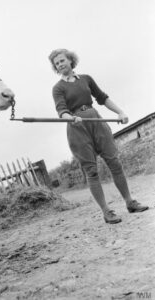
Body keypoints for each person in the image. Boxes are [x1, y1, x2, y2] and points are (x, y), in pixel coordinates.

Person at [48, 49, 149, 224]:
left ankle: (130, 202)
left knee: (114, 163)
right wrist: (71, 118)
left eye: (62, 60)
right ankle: (106, 211)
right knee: (91, 171)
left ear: (71, 60)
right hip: (77, 128)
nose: (60, 64)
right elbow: (61, 111)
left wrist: (120, 112)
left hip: (97, 123)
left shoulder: (86, 79)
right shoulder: (58, 88)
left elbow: (102, 98)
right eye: (56, 63)